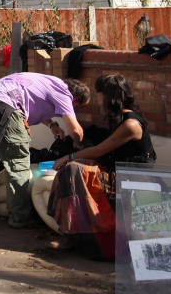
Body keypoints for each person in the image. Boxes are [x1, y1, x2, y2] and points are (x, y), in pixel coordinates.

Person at [47, 74, 156, 259]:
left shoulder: (131, 124)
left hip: (132, 178)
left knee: (73, 168)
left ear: (109, 97)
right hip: (115, 172)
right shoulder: (119, 119)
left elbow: (99, 151)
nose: (98, 99)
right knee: (72, 170)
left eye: (99, 94)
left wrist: (68, 157)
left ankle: (71, 235)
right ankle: (70, 232)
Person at [0, 72, 90, 228]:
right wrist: (79, 145)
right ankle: (19, 217)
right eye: (78, 107)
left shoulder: (47, 82)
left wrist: (52, 125)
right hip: (6, 109)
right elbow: (76, 130)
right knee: (18, 166)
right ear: (76, 99)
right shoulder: (64, 92)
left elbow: (32, 102)